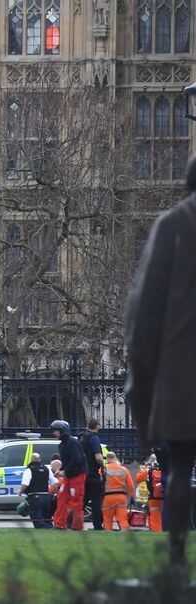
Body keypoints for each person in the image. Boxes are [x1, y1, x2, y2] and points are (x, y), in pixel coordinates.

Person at [124, 155, 196, 565]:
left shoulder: (173, 225)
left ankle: (176, 561)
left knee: (180, 468)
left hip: (184, 372)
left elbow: (144, 310)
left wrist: (142, 379)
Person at [52, 420, 87, 530]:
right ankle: (59, 524)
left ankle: (78, 526)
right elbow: (67, 461)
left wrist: (64, 471)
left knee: (76, 500)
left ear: (62, 431)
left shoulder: (73, 443)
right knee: (61, 497)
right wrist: (61, 469)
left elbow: (76, 460)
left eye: (56, 431)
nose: (54, 433)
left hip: (77, 475)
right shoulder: (62, 445)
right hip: (69, 475)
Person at [80, 418, 105, 530]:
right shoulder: (93, 438)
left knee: (82, 501)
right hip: (93, 474)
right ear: (97, 426)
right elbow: (98, 457)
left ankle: (74, 523)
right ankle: (98, 526)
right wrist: (103, 466)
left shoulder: (81, 437)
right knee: (96, 501)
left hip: (82, 474)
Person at [19, 453, 56, 528]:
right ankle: (52, 529)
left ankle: (52, 529)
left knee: (38, 523)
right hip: (46, 497)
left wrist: (20, 491)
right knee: (47, 520)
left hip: (35, 498)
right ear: (40, 460)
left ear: (31, 460)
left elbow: (25, 484)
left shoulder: (29, 470)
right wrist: (52, 493)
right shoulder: (46, 469)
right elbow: (55, 483)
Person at [101, 451, 135, 531]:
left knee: (107, 519)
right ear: (115, 458)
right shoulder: (124, 469)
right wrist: (132, 497)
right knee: (123, 519)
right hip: (121, 497)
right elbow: (131, 486)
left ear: (107, 459)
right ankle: (125, 536)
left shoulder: (104, 469)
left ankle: (108, 536)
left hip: (107, 497)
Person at [135, 458, 164, 532]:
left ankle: (157, 535)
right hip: (167, 499)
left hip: (153, 499)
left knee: (155, 520)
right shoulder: (168, 469)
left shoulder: (148, 471)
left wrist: (142, 470)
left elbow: (137, 479)